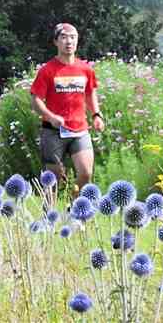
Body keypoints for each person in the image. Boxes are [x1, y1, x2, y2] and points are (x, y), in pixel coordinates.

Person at [30, 23, 105, 196]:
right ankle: (49, 216)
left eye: (73, 37)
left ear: (77, 41)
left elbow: (90, 93)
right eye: (64, 37)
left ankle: (74, 207)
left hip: (80, 130)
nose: (69, 42)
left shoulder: (86, 69)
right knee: (53, 181)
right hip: (53, 131)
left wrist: (96, 115)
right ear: (56, 42)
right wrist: (50, 116)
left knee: (86, 173)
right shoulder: (47, 70)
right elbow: (35, 100)